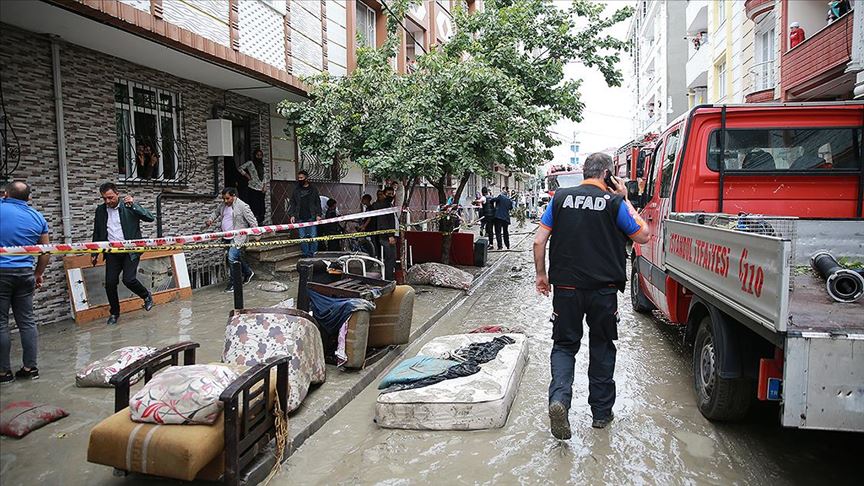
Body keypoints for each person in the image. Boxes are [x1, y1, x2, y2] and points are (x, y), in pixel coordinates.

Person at [533, 153, 650, 438]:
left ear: (585, 172)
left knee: (563, 346)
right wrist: (624, 198)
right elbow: (643, 235)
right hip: (604, 292)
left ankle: (559, 400)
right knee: (601, 346)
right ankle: (600, 414)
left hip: (567, 290)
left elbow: (539, 240)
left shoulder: (560, 198)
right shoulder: (614, 204)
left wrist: (541, 275)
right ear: (608, 175)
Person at [0, 181, 50, 384]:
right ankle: (30, 368)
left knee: (1, 323)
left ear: (5, 194)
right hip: (25, 274)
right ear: (28, 198)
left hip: (1, 274)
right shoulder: (37, 216)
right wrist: (38, 273)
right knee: (27, 322)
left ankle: (3, 373)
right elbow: (45, 252)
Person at [92, 182, 154, 326]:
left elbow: (150, 218)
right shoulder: (100, 210)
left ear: (117, 194)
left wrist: (134, 205)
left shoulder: (128, 207)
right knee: (110, 283)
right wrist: (94, 252)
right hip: (112, 252)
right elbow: (97, 231)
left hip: (130, 251)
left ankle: (146, 296)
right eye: (104, 198)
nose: (108, 201)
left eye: (110, 197)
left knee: (129, 279)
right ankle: (114, 313)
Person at [206, 187, 257, 292]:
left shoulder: (242, 206)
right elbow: (216, 212)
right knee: (236, 257)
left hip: (238, 237)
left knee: (231, 258)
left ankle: (234, 284)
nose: (225, 201)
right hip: (226, 237)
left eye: (227, 198)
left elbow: (252, 220)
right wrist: (210, 219)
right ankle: (248, 272)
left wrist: (257, 233)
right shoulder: (223, 205)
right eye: (223, 198)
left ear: (234, 196)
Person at [288, 170, 323, 257]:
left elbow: (317, 202)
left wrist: (319, 214)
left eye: (301, 178)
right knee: (302, 237)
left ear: (306, 178)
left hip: (311, 216)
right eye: (298, 178)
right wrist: (292, 215)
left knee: (313, 237)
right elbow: (292, 203)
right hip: (300, 217)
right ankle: (306, 254)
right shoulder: (296, 190)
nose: (299, 179)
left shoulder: (313, 189)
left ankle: (313, 254)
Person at [372, 186, 397, 280]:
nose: (391, 195)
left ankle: (389, 277)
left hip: (389, 235)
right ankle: (388, 279)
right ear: (384, 194)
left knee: (392, 257)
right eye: (388, 194)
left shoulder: (389, 205)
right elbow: (384, 222)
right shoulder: (384, 206)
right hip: (385, 236)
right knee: (390, 257)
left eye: (392, 193)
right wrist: (390, 235)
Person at [238, 147, 267, 226]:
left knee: (261, 206)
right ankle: (253, 221)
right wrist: (247, 175)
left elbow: (265, 176)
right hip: (252, 187)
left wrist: (264, 186)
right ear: (255, 155)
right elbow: (240, 168)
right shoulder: (250, 163)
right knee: (253, 205)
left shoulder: (262, 165)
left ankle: (260, 221)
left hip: (261, 188)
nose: (259, 157)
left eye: (260, 155)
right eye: (257, 155)